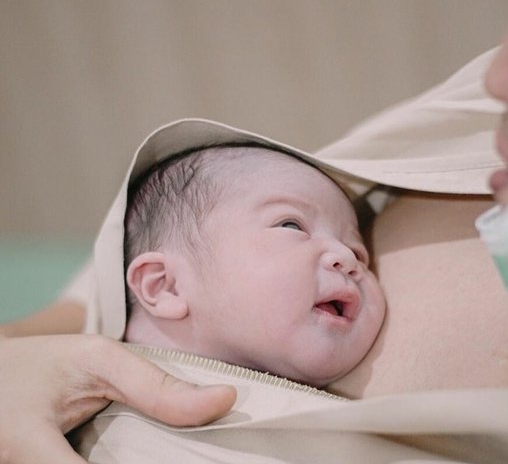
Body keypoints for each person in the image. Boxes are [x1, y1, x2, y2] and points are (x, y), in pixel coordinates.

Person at [1, 0, 508, 464]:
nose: (349, 257)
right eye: (293, 229)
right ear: (162, 289)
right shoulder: (488, 116)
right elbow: (160, 242)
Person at [122, 140, 386, 387]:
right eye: (291, 225)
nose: (348, 257)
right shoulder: (100, 402)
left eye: (358, 251)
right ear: (167, 286)